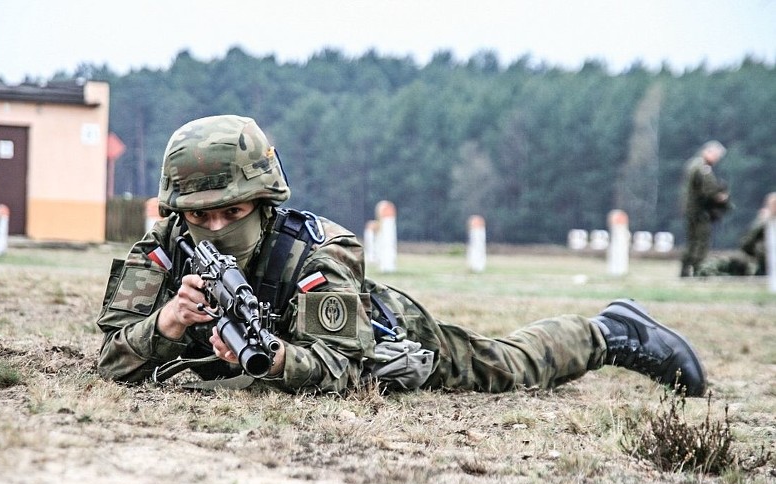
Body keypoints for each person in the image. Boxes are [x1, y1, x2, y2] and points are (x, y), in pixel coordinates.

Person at [96, 115, 707, 398]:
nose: (215, 227)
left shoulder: (317, 255)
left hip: (385, 334)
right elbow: (112, 361)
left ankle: (607, 332)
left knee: (502, 367)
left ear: (263, 202)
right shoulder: (164, 251)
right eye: (201, 216)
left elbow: (343, 367)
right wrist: (167, 325)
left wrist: (277, 359)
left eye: (233, 213)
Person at [679, 140, 731, 277]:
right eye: (716, 156)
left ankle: (685, 270)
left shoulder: (692, 164)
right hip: (699, 211)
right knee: (701, 241)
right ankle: (698, 270)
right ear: (708, 152)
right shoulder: (703, 168)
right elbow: (709, 192)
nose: (716, 159)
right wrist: (721, 198)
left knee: (691, 241)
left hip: (690, 209)